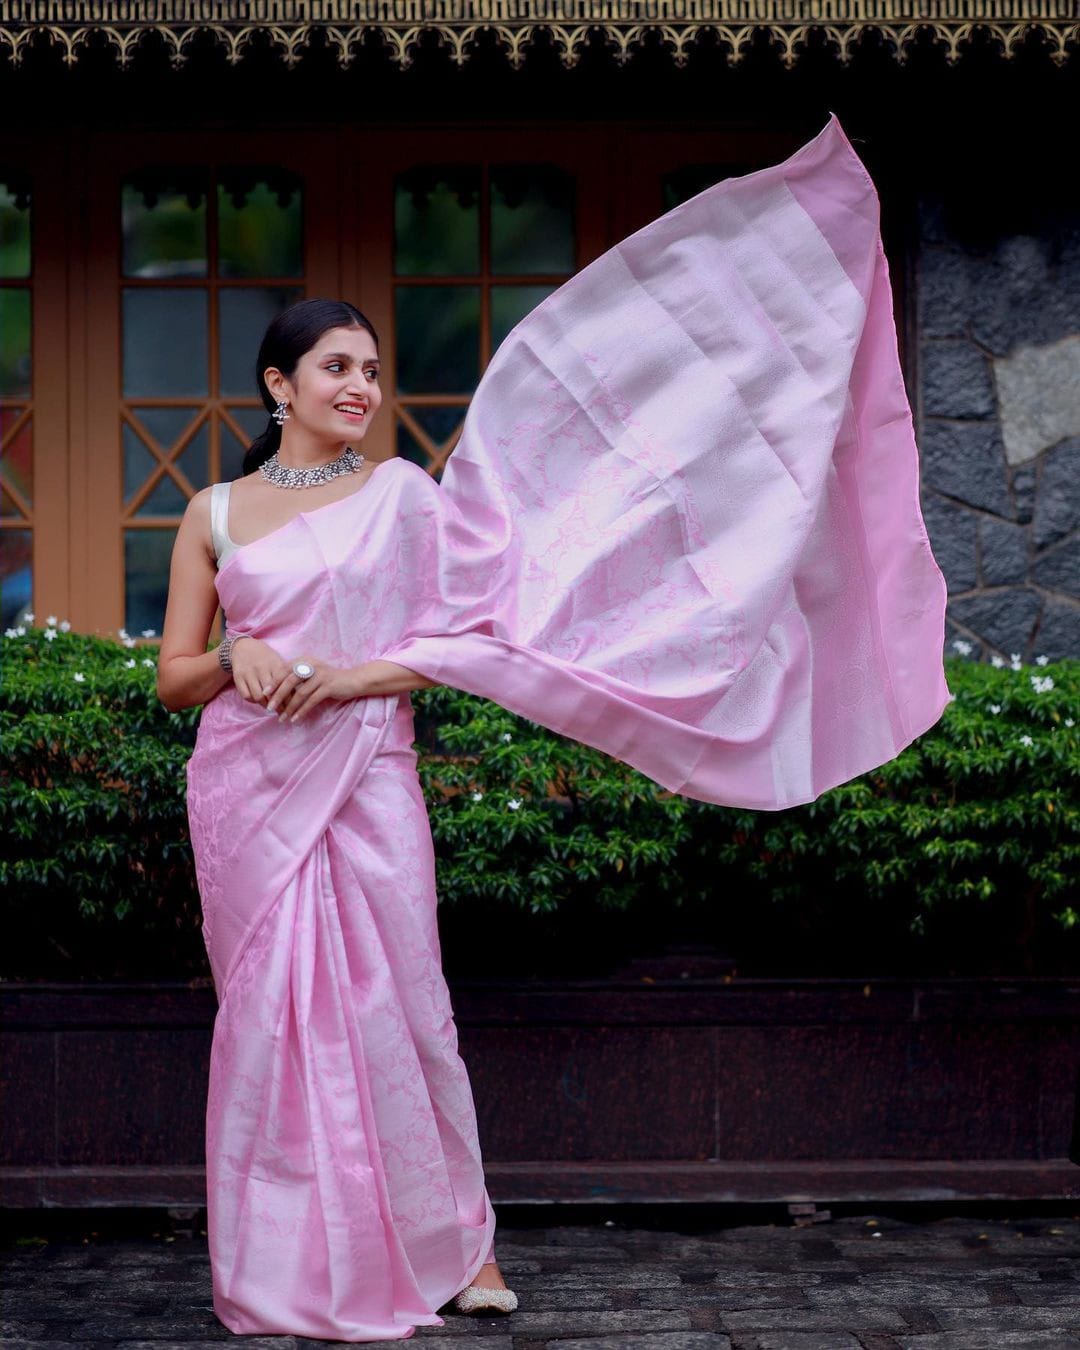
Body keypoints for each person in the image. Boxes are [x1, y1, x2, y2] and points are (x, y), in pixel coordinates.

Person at [157, 113, 951, 1342]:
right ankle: (282, 1254)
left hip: (365, 778)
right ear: (280, 385)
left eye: (372, 369)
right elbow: (170, 681)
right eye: (337, 369)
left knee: (407, 1011)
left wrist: (352, 679)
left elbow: (457, 638)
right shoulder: (210, 514)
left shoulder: (410, 500)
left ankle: (459, 1249)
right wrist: (237, 655)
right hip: (246, 794)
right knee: (269, 1024)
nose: (362, 388)